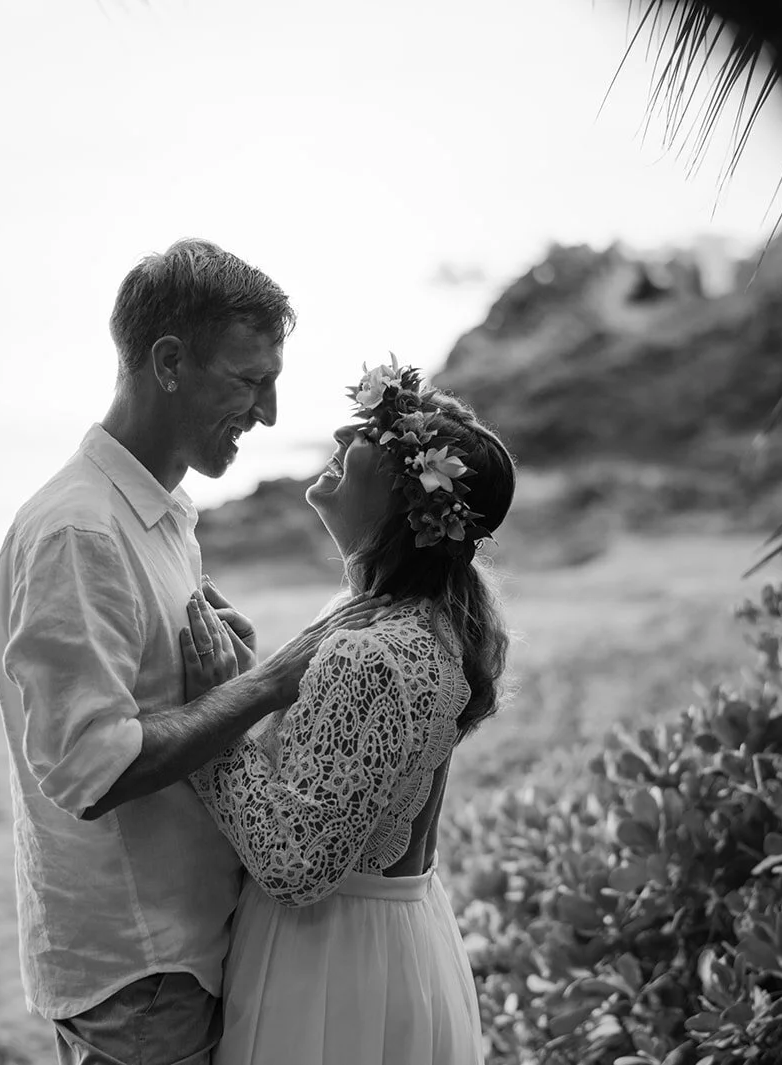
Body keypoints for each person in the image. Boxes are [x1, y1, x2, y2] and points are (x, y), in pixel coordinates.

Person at [0, 238, 388, 1065]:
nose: (268, 412)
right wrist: (267, 685)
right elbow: (91, 768)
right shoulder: (79, 531)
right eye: (249, 381)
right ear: (169, 362)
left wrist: (223, 677)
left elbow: (157, 704)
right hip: (140, 969)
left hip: (184, 949)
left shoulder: (160, 514)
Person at [183, 357, 516, 1064]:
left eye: (376, 432)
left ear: (412, 496)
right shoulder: (403, 618)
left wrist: (214, 714)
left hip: (331, 966)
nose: (342, 429)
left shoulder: (376, 650)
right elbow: (337, 779)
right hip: (393, 943)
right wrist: (257, 677)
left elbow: (296, 862)